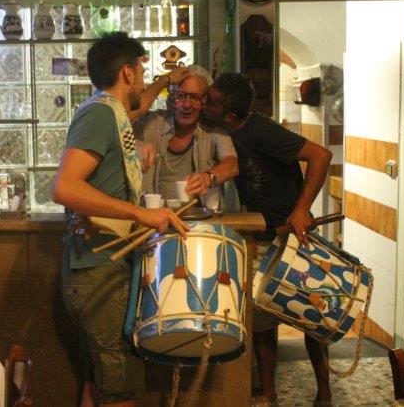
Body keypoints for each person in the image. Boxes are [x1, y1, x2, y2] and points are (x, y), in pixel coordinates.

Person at [51, 32, 190, 407]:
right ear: (127, 72)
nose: (144, 82)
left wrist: (165, 81)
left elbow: (137, 108)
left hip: (99, 266)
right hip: (97, 269)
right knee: (119, 389)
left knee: (99, 382)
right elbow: (64, 187)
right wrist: (142, 213)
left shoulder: (109, 112)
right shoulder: (99, 114)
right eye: (142, 72)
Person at [203, 72, 334, 407]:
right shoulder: (224, 132)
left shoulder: (261, 131)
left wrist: (302, 209)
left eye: (211, 102)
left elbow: (321, 155)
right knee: (263, 318)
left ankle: (325, 392)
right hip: (264, 236)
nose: (204, 104)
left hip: (294, 235)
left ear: (229, 115)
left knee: (310, 316)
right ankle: (268, 393)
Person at [133, 65, 239, 201]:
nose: (187, 105)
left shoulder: (214, 132)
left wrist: (208, 177)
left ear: (205, 101)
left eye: (194, 97)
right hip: (154, 212)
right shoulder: (150, 123)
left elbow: (232, 165)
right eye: (181, 96)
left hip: (200, 214)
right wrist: (136, 144)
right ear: (171, 98)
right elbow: (118, 126)